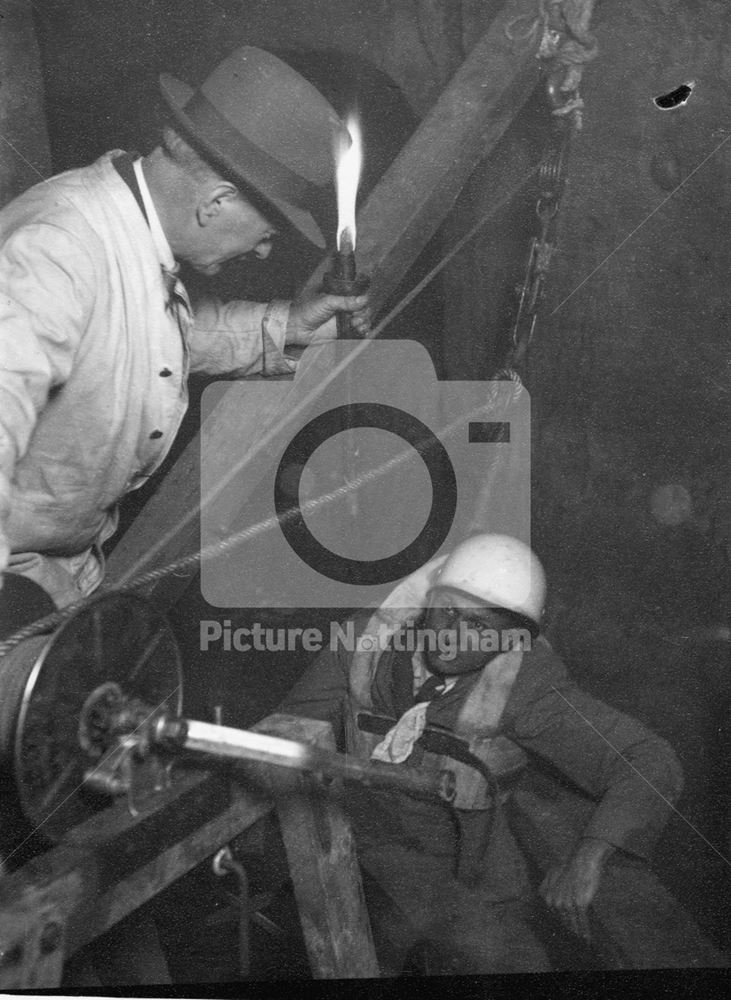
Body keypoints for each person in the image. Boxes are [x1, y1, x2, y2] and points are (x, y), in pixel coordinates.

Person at [0, 46, 369, 608]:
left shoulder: (128, 231)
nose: (266, 252)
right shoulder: (58, 250)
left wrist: (289, 326)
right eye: (268, 230)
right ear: (218, 202)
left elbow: (144, 340)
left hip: (61, 575)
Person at [278, 534, 684, 974]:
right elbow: (286, 732)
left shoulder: (527, 689)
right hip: (360, 839)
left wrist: (588, 857)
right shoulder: (365, 642)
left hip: (468, 865)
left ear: (510, 640)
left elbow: (648, 760)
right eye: (448, 612)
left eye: (480, 627)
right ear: (428, 601)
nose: (452, 637)